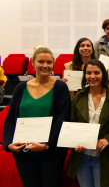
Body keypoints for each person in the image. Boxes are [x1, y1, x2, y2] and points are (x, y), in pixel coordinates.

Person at [2, 46, 71, 187]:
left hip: (51, 153)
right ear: (33, 64)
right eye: (41, 62)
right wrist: (9, 144)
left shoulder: (60, 87)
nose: (45, 66)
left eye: (49, 62)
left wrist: (46, 145)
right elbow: (10, 120)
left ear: (53, 64)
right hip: (24, 152)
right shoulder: (20, 88)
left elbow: (62, 119)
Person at [66, 60, 109, 187]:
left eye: (96, 73)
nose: (92, 76)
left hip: (105, 157)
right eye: (88, 73)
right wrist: (74, 142)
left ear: (103, 74)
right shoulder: (79, 97)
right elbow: (71, 123)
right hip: (81, 157)